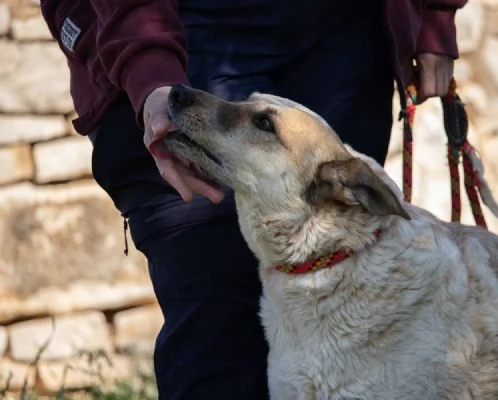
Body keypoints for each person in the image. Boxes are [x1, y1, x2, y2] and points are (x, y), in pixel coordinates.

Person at [40, 0, 466, 398]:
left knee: (348, 332)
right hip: (184, 24)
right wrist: (149, 72)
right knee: (213, 322)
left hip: (343, 32)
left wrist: (435, 14)